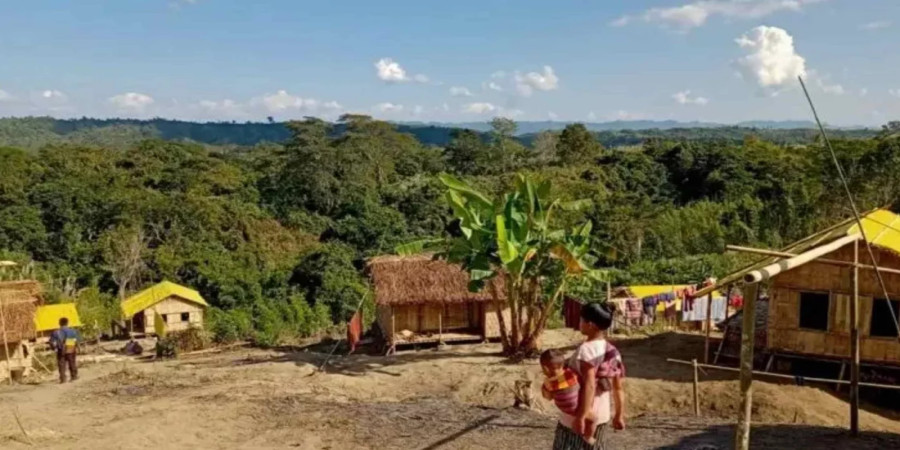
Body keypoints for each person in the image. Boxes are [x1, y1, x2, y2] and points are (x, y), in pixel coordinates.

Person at [552, 303, 626, 450]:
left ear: (590, 324)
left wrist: (580, 417)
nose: (579, 323)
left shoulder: (586, 351)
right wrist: (619, 415)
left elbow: (590, 385)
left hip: (578, 416)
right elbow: (618, 388)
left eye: (581, 320)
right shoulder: (612, 351)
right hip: (602, 416)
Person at [541, 349, 597, 444]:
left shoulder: (549, 382)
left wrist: (546, 389)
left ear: (545, 368)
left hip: (564, 408)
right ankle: (588, 436)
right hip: (575, 407)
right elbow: (584, 383)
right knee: (593, 419)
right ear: (562, 365)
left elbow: (548, 397)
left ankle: (582, 429)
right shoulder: (571, 374)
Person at [49, 317, 81, 383]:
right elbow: (76, 341)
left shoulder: (55, 332)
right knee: (72, 363)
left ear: (59, 323)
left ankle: (63, 379)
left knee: (61, 365)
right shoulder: (73, 331)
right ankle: (74, 376)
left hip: (61, 350)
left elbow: (52, 342)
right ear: (67, 323)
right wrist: (77, 348)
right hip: (71, 349)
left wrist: (54, 348)